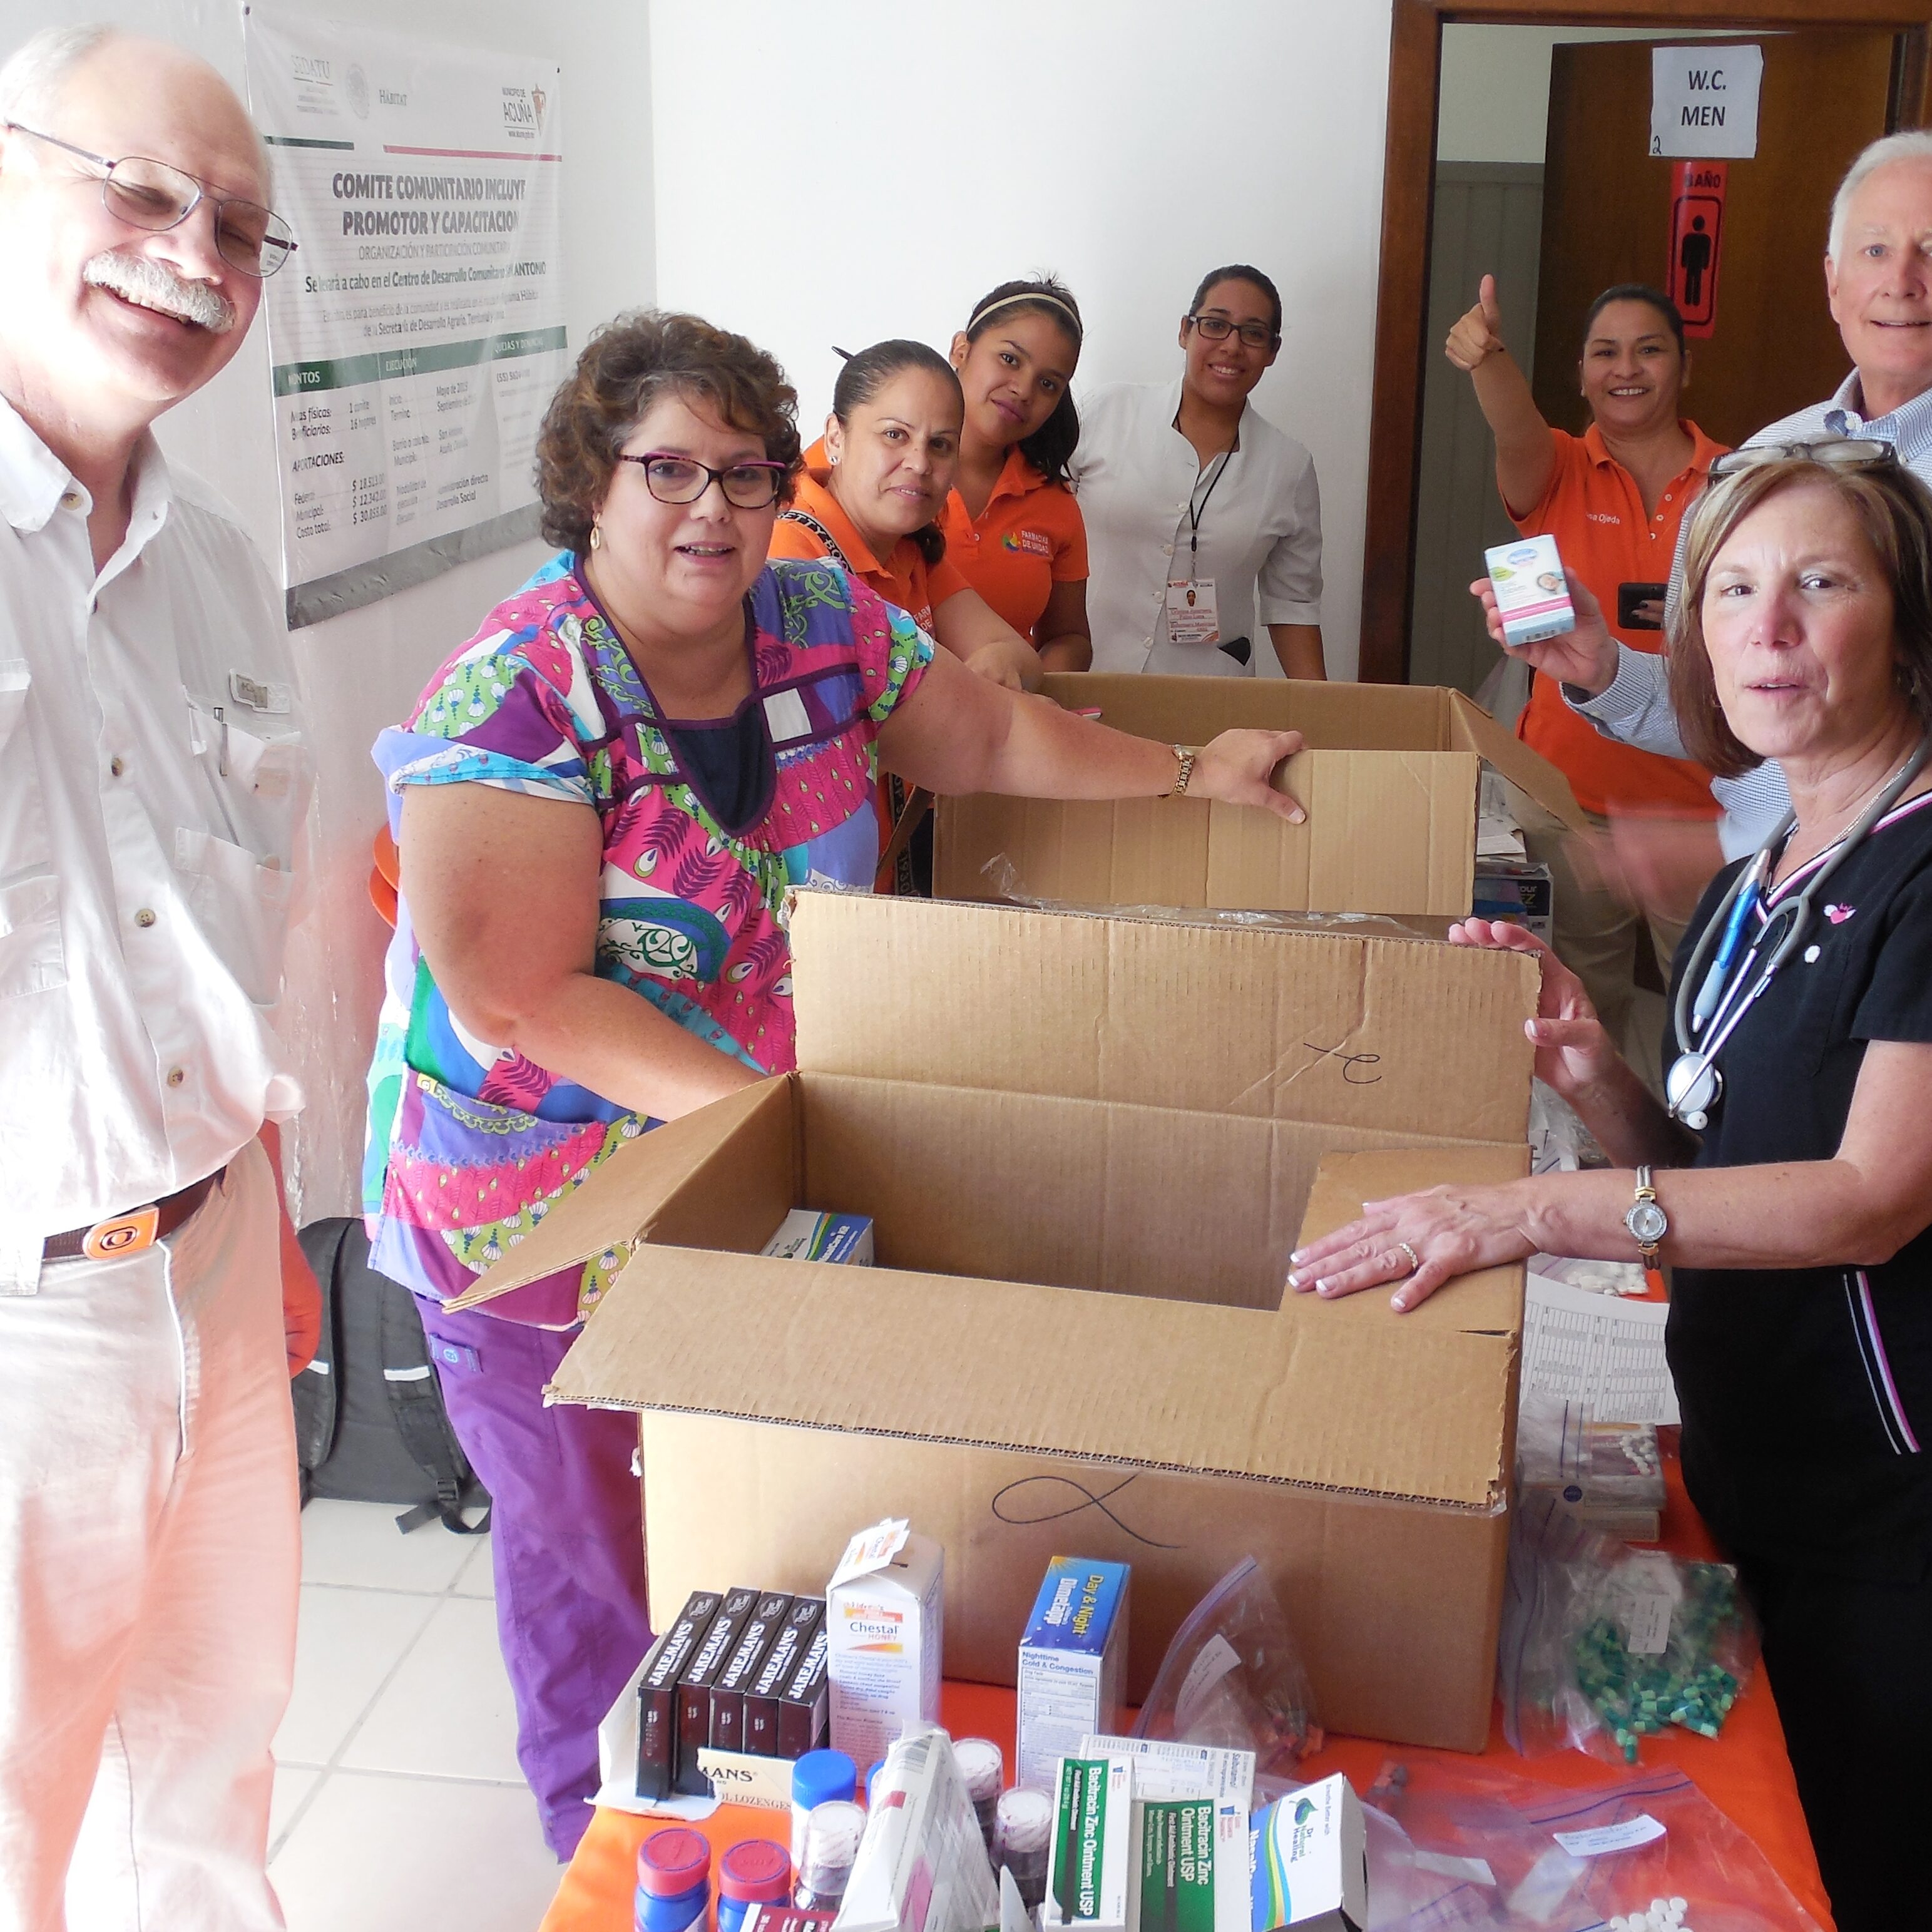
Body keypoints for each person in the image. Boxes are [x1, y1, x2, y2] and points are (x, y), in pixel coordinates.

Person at [361, 309, 1306, 1858]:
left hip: (750, 1180)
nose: (712, 510)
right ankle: (602, 1856)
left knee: (761, 1527)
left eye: (743, 472)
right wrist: (772, 1122)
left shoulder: (819, 616)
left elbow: (988, 733)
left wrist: (1184, 773)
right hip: (530, 1220)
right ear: (590, 483)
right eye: (668, 470)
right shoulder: (519, 688)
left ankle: (778, 1839)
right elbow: (520, 991)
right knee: (593, 1560)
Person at [1292, 446, 1932, 1932]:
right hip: (1751, 1461)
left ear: (1903, 622)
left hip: (1886, 1512)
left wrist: (1534, 1210)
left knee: (1868, 1862)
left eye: (1823, 584)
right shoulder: (1755, 872)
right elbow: (1703, 1163)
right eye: (1736, 591)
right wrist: (1588, 1079)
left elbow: (1868, 1199)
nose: (1769, 628)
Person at [0, 24, 317, 1931]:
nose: (193, 258)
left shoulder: (215, 563)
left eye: (242, 229)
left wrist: (259, 1218)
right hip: (22, 1314)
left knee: (221, 1758)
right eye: (136, 193)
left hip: (212, 1257)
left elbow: (225, 937)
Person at [1546, 129, 1932, 861]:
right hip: (1753, 887)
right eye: (1876, 250)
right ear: (1834, 282)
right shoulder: (1765, 455)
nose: (1903, 280)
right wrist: (1604, 670)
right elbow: (1730, 700)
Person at [1445, 277, 1727, 1074]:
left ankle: (1713, 1185)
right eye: (1605, 352)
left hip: (1705, 819)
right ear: (1579, 372)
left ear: (1684, 366)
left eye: (1649, 349)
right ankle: (1599, 1183)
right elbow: (1514, 427)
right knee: (1577, 1026)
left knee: (1719, 1037)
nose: (1625, 368)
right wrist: (1490, 359)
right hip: (1567, 809)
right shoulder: (1557, 469)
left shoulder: (1739, 482)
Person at [1072, 263, 1326, 679]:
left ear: (1272, 351)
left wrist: (1327, 717)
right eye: (1215, 325)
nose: (1231, 346)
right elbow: (1041, 530)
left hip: (1208, 697)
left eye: (1253, 333)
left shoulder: (1289, 467)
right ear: (1184, 331)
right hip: (1085, 674)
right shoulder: (1106, 412)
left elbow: (1292, 603)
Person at [767, 337, 1042, 690]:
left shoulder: (911, 546)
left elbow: (1022, 658)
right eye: (895, 434)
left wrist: (998, 662)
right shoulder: (791, 553)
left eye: (940, 445)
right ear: (835, 438)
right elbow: (837, 717)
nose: (920, 463)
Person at [942, 277, 1091, 671]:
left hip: (1003, 722)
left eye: (1048, 383)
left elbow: (1069, 637)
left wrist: (1032, 685)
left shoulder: (1056, 504)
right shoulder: (882, 465)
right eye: (1010, 359)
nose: (1024, 390)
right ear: (962, 349)